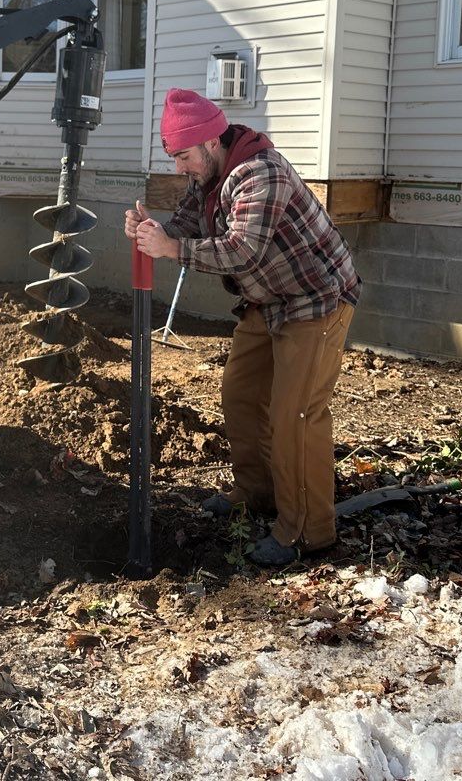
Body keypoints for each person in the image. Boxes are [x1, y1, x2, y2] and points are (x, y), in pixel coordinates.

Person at [127, 88, 360, 568]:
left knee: (295, 415)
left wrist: (171, 250)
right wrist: (157, 232)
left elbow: (241, 250)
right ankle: (260, 497)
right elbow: (190, 224)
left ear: (211, 142)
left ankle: (307, 532)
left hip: (314, 300)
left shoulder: (260, 173)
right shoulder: (212, 176)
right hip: (266, 302)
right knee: (239, 396)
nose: (179, 167)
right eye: (173, 157)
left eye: (183, 156)